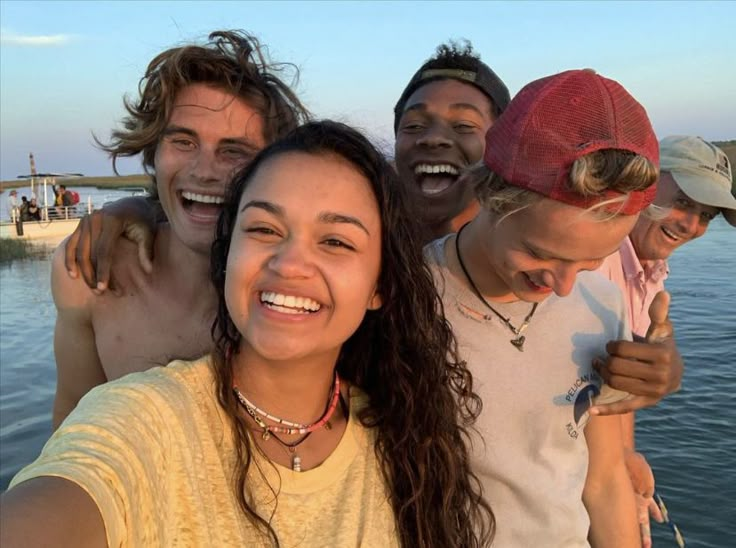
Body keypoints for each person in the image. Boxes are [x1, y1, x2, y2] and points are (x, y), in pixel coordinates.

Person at [1, 121, 494, 547]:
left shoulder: (404, 439)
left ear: (379, 286)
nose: (290, 264)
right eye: (263, 229)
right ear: (228, 254)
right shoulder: (143, 421)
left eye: (336, 241)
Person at [426, 68, 661, 546]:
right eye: (540, 253)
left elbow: (604, 481)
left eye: (593, 259)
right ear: (488, 194)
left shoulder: (603, 301)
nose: (564, 286)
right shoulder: (409, 296)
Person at [49, 30, 309, 429]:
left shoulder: (295, 292)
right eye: (184, 142)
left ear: (273, 166)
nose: (204, 171)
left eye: (234, 151)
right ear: (153, 150)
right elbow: (70, 431)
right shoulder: (90, 275)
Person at [595, 134, 736, 546]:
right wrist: (614, 479)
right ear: (644, 184)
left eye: (706, 214)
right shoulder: (595, 260)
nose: (692, 226)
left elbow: (619, 388)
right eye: (685, 202)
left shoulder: (651, 271)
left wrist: (627, 454)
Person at [393, 40, 510, 241]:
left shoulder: (527, 259)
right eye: (414, 126)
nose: (433, 138)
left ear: (503, 147)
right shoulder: (367, 250)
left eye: (464, 126)